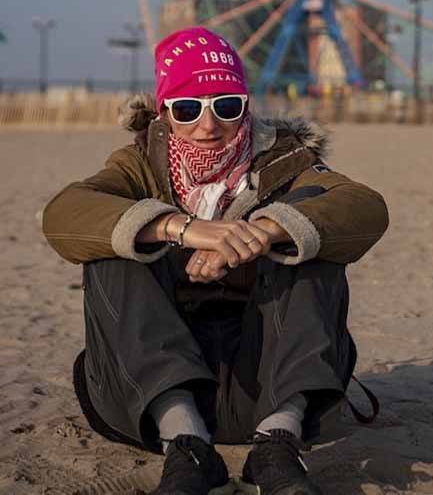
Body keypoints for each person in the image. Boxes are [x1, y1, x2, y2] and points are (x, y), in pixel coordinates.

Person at [42, 27, 389, 495]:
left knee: (310, 230)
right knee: (114, 242)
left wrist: (266, 230)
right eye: (188, 110)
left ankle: (278, 443)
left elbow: (365, 205)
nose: (209, 126)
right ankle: (186, 446)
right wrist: (176, 227)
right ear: (164, 113)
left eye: (226, 105)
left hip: (267, 385)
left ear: (246, 106)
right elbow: (64, 213)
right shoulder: (139, 164)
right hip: (152, 395)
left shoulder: (287, 163)